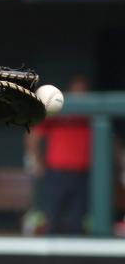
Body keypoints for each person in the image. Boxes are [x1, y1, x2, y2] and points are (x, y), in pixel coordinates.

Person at [25, 74, 91, 234]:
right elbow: (34, 135)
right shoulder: (58, 109)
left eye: (83, 91)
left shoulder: (91, 114)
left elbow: (110, 139)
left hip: (82, 174)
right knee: (52, 219)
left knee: (78, 222)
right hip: (57, 173)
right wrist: (35, 160)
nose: (80, 94)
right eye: (77, 91)